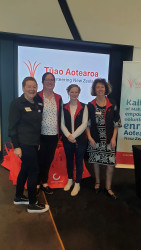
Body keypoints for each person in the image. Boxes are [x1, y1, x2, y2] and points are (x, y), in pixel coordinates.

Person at [8, 76, 49, 213]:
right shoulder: (17, 103)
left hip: (32, 143)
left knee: (25, 170)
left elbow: (36, 126)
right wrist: (16, 146)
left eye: (34, 86)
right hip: (24, 144)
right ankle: (32, 204)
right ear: (23, 87)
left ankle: (18, 197)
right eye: (29, 86)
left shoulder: (36, 102)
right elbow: (12, 127)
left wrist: (37, 143)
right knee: (33, 172)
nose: (32, 89)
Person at [87, 78, 122, 199]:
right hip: (95, 140)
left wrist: (114, 138)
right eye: (98, 87)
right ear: (94, 89)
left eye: (102, 87)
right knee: (96, 163)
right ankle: (97, 182)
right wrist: (90, 138)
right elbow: (87, 124)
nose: (100, 89)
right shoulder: (90, 105)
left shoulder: (112, 103)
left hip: (109, 140)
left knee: (110, 165)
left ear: (106, 89)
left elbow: (116, 122)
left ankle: (108, 187)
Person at [37, 72, 62, 194]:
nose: (50, 82)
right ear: (42, 82)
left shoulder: (58, 97)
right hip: (39, 135)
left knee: (48, 160)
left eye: (52, 79)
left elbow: (61, 116)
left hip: (53, 135)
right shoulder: (36, 96)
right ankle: (36, 183)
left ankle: (44, 183)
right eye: (47, 79)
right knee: (39, 160)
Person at [61, 84, 88, 196]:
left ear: (79, 93)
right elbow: (62, 123)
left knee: (79, 161)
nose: (74, 94)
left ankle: (77, 183)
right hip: (67, 139)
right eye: (72, 92)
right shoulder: (63, 107)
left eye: (76, 92)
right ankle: (70, 180)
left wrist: (74, 136)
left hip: (80, 140)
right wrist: (68, 136)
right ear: (68, 92)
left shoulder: (84, 106)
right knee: (69, 160)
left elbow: (84, 123)